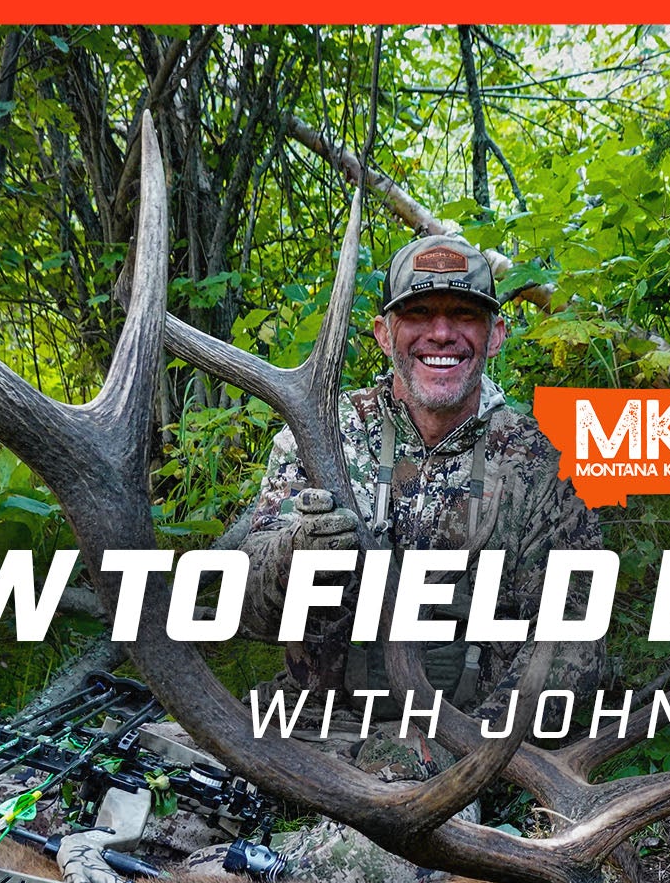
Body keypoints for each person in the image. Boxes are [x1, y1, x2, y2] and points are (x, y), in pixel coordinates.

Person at [238, 232, 604, 728]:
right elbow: (242, 604)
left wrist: (469, 752)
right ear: (384, 333)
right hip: (314, 733)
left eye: (464, 315)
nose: (441, 333)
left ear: (495, 334)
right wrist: (292, 554)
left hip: (467, 752)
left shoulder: (546, 466)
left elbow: (572, 643)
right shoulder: (321, 435)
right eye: (418, 314)